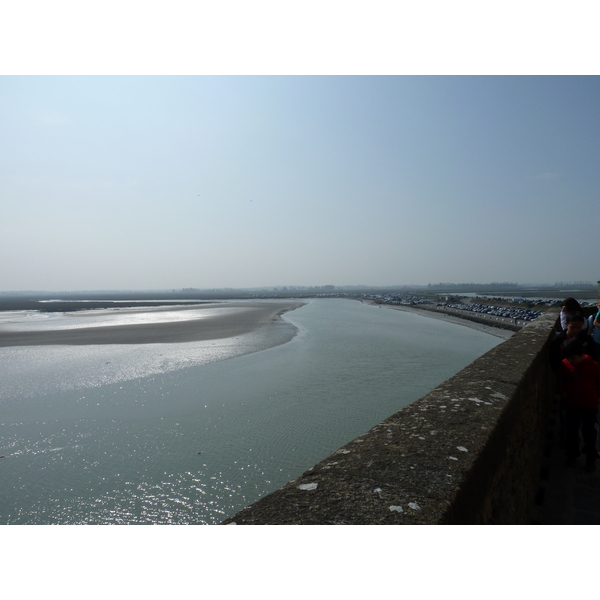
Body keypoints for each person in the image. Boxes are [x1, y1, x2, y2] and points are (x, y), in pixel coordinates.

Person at [557, 337, 600, 472]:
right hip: (572, 404)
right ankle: (572, 456)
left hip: (590, 405)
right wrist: (563, 391)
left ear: (581, 354)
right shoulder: (565, 363)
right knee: (571, 432)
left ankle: (590, 459)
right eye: (568, 358)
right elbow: (560, 380)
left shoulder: (593, 366)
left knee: (590, 433)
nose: (570, 361)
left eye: (573, 358)